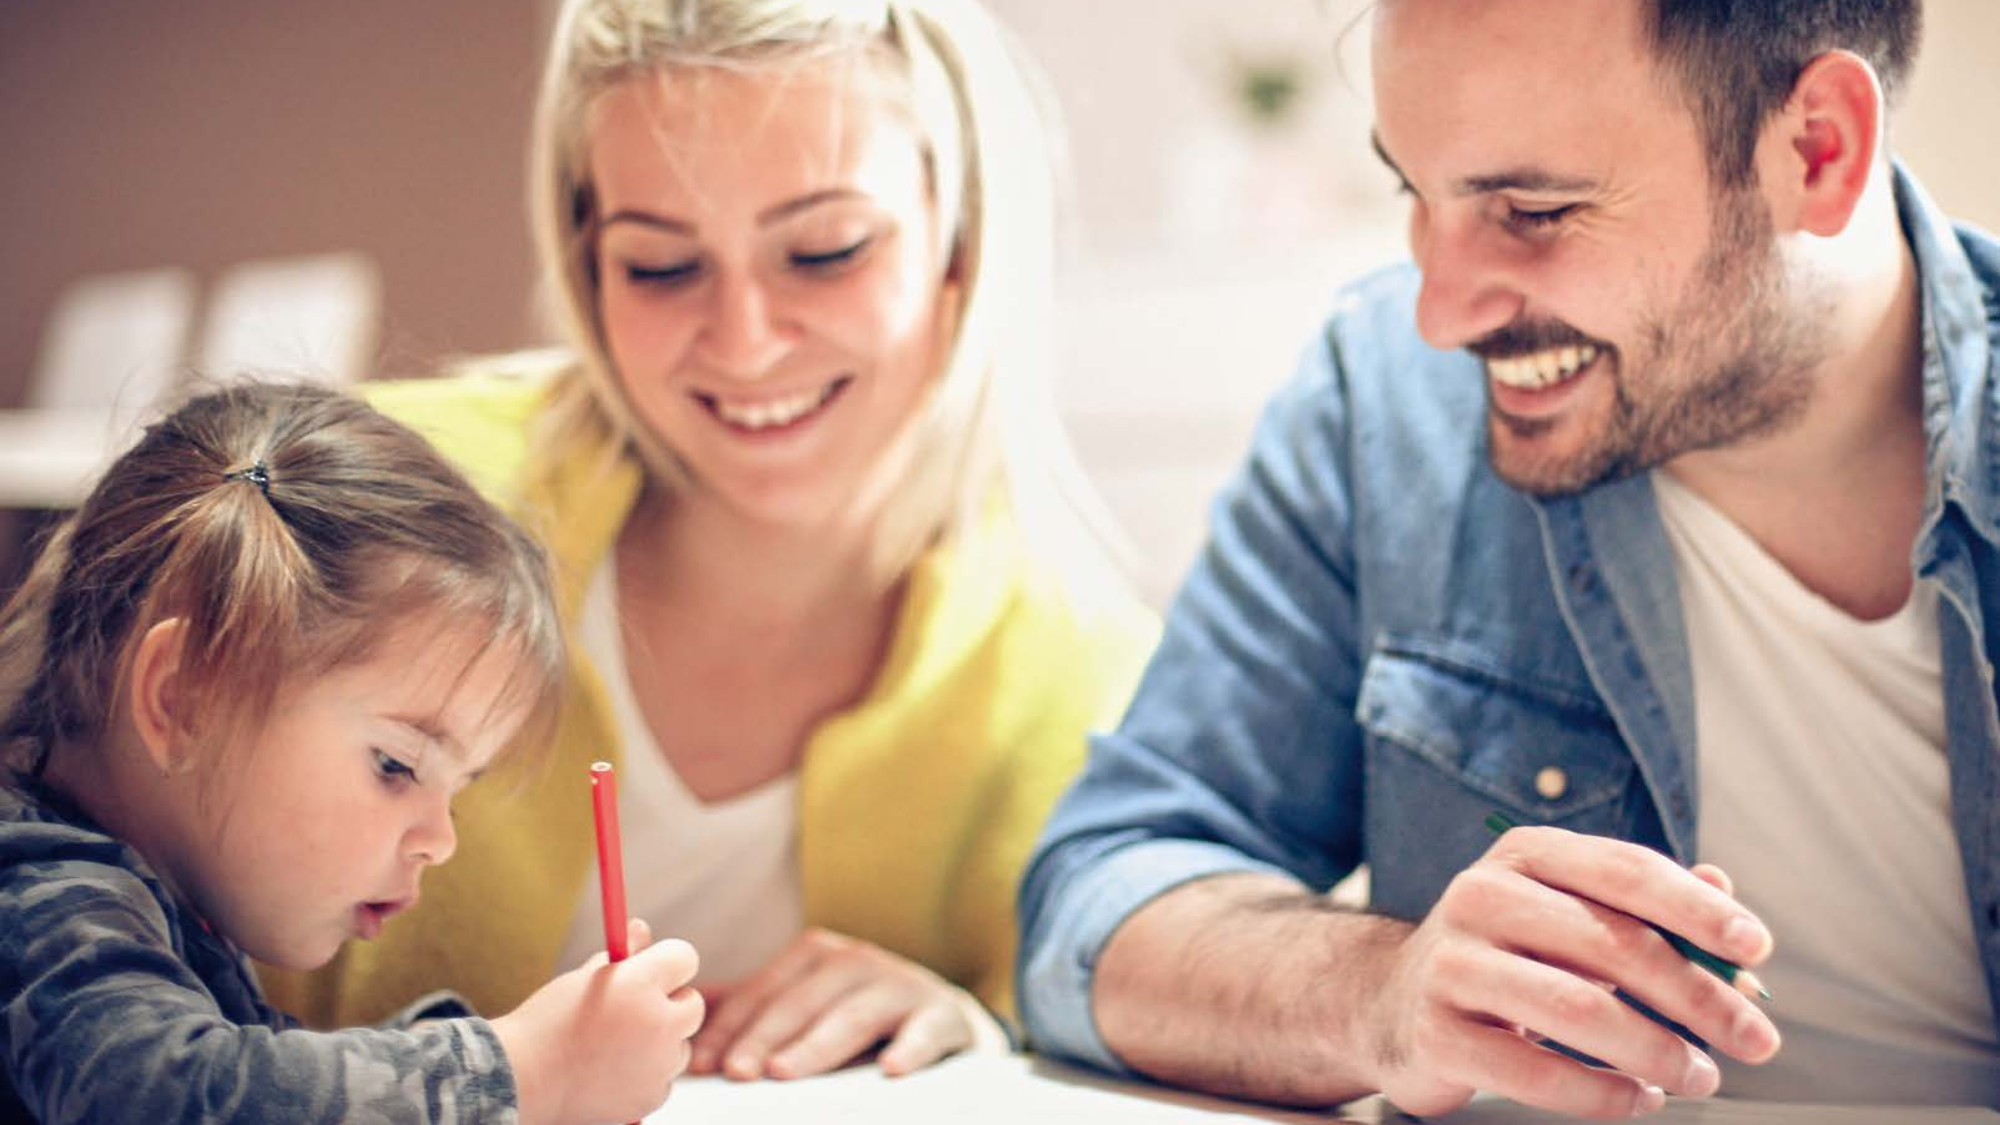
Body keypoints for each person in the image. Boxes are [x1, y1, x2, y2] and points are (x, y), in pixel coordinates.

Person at [1020, 0, 2000, 1117]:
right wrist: (1376, 995)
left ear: (1814, 149)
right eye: (1414, 194)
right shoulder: (1380, 401)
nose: (1439, 314)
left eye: (1532, 210)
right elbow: (1097, 898)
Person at [259, 0, 1158, 1083]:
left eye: (823, 252)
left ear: (958, 241)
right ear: (587, 266)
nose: (744, 342)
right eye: (661, 267)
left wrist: (978, 1030)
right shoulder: (352, 507)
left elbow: (1098, 996)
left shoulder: (1079, 673)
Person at [0, 381, 706, 1125]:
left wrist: (558, 1049)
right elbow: (169, 1098)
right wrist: (525, 1069)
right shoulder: (39, 890)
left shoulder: (159, 903)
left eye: (457, 790)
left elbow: (263, 1081)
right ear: (184, 697)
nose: (441, 841)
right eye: (396, 765)